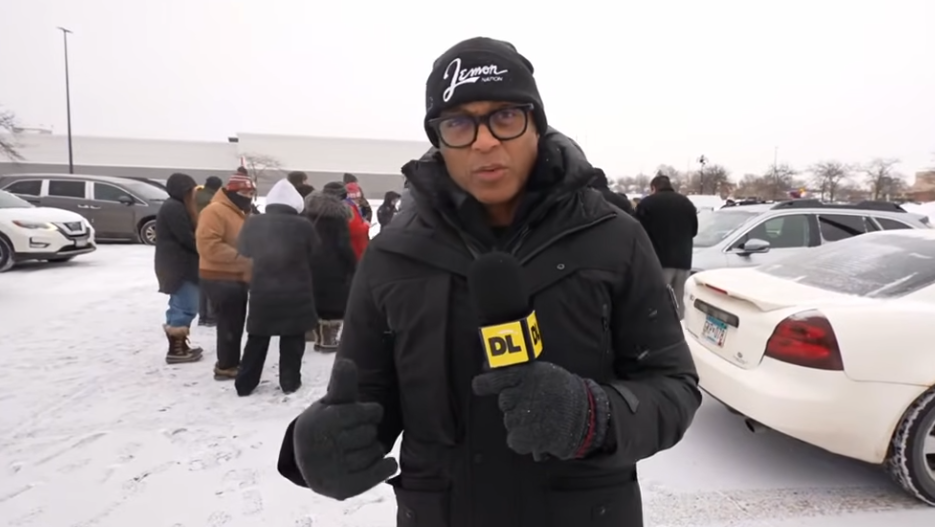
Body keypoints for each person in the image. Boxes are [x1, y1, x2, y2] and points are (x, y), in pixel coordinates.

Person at [278, 37, 700, 527]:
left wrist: (594, 417)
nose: (483, 141)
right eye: (458, 123)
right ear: (439, 139)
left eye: (505, 116)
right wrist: (326, 444)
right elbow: (367, 395)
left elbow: (673, 387)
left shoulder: (616, 238)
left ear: (536, 124)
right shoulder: (391, 255)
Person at [235, 179, 317, 396]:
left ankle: (245, 383)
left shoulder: (253, 223)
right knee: (293, 339)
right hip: (296, 290)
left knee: (257, 338)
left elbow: (243, 250)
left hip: (263, 289)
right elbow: (315, 253)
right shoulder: (304, 225)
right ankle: (290, 381)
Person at [196, 172, 255, 380]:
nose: (248, 197)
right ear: (231, 192)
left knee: (235, 322)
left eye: (251, 193)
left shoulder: (239, 211)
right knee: (229, 323)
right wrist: (241, 257)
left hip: (236, 276)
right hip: (219, 275)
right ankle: (226, 366)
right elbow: (208, 245)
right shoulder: (214, 211)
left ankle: (231, 362)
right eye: (244, 193)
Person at [154, 172, 204, 364]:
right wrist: (205, 248)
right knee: (185, 305)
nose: (195, 194)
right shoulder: (174, 208)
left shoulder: (175, 205)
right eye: (192, 190)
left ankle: (180, 346)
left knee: (181, 304)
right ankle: (176, 351)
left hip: (177, 264)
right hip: (179, 267)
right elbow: (186, 237)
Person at [634, 174, 698, 319]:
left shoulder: (648, 203)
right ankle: (678, 328)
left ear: (653, 188)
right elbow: (694, 231)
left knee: (656, 303)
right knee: (678, 304)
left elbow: (637, 232)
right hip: (683, 262)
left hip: (658, 262)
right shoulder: (687, 203)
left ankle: (657, 329)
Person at [303, 185, 358, 351]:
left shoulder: (309, 212)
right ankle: (328, 340)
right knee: (334, 304)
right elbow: (343, 245)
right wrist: (353, 264)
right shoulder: (338, 217)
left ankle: (319, 338)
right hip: (334, 265)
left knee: (317, 300)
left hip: (311, 262)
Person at [341, 183, 371, 260]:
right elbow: (356, 230)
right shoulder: (350, 208)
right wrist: (366, 225)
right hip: (356, 248)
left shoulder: (351, 207)